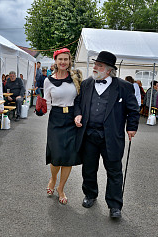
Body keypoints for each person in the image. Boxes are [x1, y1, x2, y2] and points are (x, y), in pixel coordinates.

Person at [74, 51, 140, 219]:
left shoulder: (124, 87)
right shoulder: (87, 84)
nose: (95, 67)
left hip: (111, 136)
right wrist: (78, 114)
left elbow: (133, 110)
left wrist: (132, 127)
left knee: (114, 171)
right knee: (89, 168)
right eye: (95, 64)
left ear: (109, 70)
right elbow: (78, 103)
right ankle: (90, 194)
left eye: (99, 65)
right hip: (89, 134)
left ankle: (115, 204)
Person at [44, 48, 82, 205]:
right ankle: (53, 178)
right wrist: (41, 110)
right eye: (60, 59)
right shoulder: (48, 81)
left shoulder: (76, 78)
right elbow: (46, 103)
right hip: (56, 119)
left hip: (72, 119)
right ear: (55, 61)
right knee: (57, 155)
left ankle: (61, 188)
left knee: (68, 157)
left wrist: (78, 115)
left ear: (69, 61)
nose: (63, 62)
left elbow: (80, 100)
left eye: (66, 59)